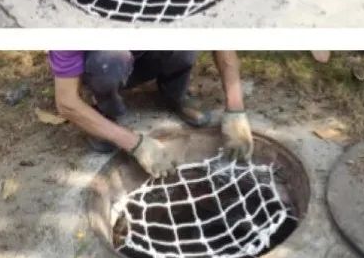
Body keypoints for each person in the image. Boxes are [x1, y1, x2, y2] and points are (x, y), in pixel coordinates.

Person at [50, 50, 254, 177]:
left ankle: (174, 93)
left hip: (148, 53)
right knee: (108, 62)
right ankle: (105, 112)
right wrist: (136, 144)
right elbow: (66, 102)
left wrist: (235, 109)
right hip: (108, 64)